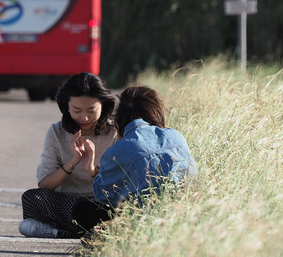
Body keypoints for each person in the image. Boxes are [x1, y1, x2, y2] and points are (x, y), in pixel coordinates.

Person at [71, 84, 197, 233]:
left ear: (121, 117)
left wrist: (93, 172)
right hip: (182, 214)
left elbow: (102, 195)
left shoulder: (119, 149)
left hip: (143, 222)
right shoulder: (176, 136)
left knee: (81, 210)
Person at [19, 72, 119, 238]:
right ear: (67, 107)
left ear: (103, 105)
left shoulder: (114, 133)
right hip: (65, 203)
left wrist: (93, 171)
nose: (85, 117)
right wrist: (72, 163)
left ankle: (58, 232)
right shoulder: (56, 132)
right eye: (77, 110)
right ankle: (91, 232)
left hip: (101, 202)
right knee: (31, 198)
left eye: (91, 110)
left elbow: (118, 187)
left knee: (119, 207)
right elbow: (45, 185)